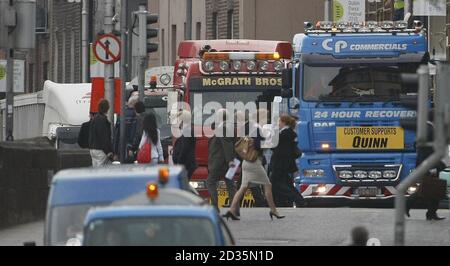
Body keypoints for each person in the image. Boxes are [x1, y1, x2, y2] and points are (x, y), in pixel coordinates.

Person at [224, 109, 284, 221]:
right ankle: (273, 210)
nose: (266, 119)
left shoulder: (247, 127)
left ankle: (231, 210)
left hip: (246, 162)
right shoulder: (256, 128)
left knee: (242, 188)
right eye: (265, 117)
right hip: (254, 162)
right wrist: (267, 143)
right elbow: (257, 144)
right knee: (268, 185)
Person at [270, 114, 305, 207]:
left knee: (277, 184)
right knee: (286, 184)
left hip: (280, 164)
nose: (277, 123)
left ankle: (294, 199)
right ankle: (289, 202)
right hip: (283, 164)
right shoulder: (286, 133)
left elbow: (275, 147)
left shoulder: (285, 133)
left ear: (283, 122)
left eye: (279, 121)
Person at [207, 109, 237, 212]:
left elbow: (227, 145)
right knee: (230, 185)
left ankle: (215, 208)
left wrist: (230, 160)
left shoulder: (224, 128)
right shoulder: (224, 126)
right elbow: (213, 126)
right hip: (223, 162)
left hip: (220, 162)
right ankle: (235, 209)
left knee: (210, 182)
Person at [406, 146, 447, 220]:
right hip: (429, 170)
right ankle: (405, 205)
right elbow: (423, 157)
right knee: (424, 191)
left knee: (434, 192)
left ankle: (431, 214)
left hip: (433, 168)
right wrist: (431, 168)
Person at [113, 95, 139, 162]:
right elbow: (134, 133)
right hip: (130, 149)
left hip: (120, 148)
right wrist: (132, 147)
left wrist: (115, 151)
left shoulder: (121, 115)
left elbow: (116, 134)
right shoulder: (135, 116)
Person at [172, 110, 197, 179]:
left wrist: (179, 163)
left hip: (186, 165)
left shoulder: (187, 131)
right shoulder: (187, 130)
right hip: (186, 165)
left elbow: (185, 149)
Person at [89, 99, 113, 167]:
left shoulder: (94, 119)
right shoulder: (103, 120)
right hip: (100, 150)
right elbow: (104, 137)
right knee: (101, 171)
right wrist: (108, 151)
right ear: (107, 108)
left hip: (93, 149)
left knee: (95, 170)